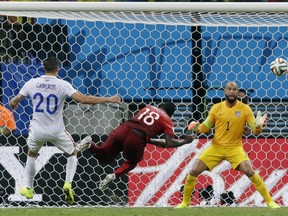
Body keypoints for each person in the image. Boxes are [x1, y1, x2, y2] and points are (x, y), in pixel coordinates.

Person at [9, 56, 121, 205]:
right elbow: (82, 99)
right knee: (72, 152)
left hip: (37, 130)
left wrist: (13, 104)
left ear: (44, 68)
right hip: (57, 131)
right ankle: (68, 183)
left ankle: (29, 187)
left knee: (32, 153)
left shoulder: (32, 83)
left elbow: (14, 100)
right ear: (58, 69)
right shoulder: (63, 85)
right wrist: (109, 99)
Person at [175, 81, 280, 209]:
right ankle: (185, 203)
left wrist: (259, 127)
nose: (231, 92)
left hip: (234, 148)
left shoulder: (245, 109)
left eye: (234, 89)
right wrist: (197, 127)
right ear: (225, 91)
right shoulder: (216, 108)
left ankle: (270, 202)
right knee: (193, 171)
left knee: (250, 171)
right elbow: (206, 126)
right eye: (229, 89)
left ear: (237, 92)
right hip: (216, 147)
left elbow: (255, 130)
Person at [76, 102, 196, 190]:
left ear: (161, 106)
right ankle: (113, 175)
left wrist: (149, 139)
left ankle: (89, 144)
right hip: (136, 138)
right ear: (171, 114)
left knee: (104, 157)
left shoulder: (148, 107)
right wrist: (185, 141)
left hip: (122, 129)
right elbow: (169, 143)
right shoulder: (167, 120)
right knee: (133, 161)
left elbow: (147, 134)